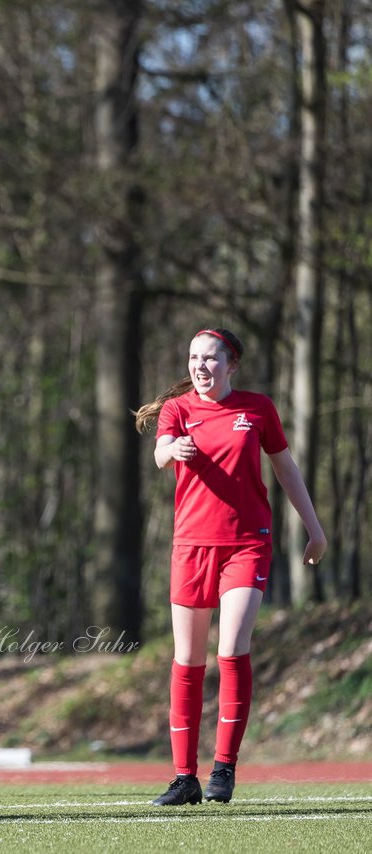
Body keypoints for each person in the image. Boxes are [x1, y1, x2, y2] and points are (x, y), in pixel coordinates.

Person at [135, 327, 326, 806]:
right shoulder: (178, 411)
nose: (200, 366)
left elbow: (286, 468)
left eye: (211, 358)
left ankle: (224, 768)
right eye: (193, 357)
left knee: (233, 647)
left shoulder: (257, 409)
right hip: (190, 547)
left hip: (246, 544)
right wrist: (170, 451)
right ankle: (184, 778)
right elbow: (160, 452)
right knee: (187, 660)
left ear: (231, 364)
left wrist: (315, 528)